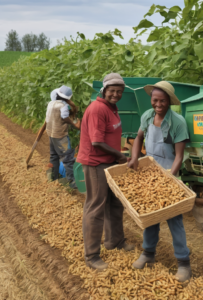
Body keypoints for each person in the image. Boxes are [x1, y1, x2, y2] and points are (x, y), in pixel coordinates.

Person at [128, 81, 192, 282]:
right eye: (155, 100)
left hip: (169, 173)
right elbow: (138, 138)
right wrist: (134, 158)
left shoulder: (178, 122)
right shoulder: (147, 116)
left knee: (175, 221)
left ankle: (183, 263)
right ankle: (148, 254)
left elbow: (179, 156)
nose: (158, 104)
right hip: (150, 172)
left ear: (169, 102)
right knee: (150, 217)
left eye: (162, 101)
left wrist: (170, 179)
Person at [76, 73, 135, 272]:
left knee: (115, 203)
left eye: (119, 91)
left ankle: (115, 241)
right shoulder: (97, 109)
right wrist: (120, 155)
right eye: (112, 91)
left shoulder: (112, 108)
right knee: (96, 207)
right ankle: (91, 255)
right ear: (104, 90)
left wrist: (117, 156)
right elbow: (97, 142)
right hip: (95, 163)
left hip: (109, 162)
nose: (116, 94)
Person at [46, 85, 80, 188]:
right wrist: (74, 125)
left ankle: (53, 178)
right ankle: (72, 182)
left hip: (51, 134)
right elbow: (65, 117)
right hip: (60, 135)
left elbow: (48, 119)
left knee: (54, 156)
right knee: (68, 158)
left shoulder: (51, 104)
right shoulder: (63, 106)